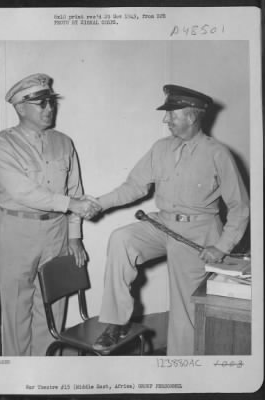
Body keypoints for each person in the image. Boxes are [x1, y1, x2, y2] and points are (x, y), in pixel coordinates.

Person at [90, 84, 250, 355]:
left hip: (199, 232)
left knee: (185, 309)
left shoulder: (217, 153)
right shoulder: (160, 148)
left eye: (171, 114)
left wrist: (222, 246)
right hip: (162, 224)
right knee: (122, 239)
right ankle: (117, 322)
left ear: (191, 116)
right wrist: (98, 203)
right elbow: (134, 186)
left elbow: (240, 207)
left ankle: (181, 370)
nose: (165, 120)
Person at [0, 73, 100, 356]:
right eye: (41, 103)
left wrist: (75, 237)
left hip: (56, 231)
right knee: (16, 308)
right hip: (16, 230)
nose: (49, 108)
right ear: (20, 107)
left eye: (51, 101)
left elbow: (76, 189)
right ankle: (16, 378)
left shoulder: (64, 142)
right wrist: (72, 205)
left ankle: (43, 375)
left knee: (52, 307)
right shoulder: (1, 143)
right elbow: (22, 191)